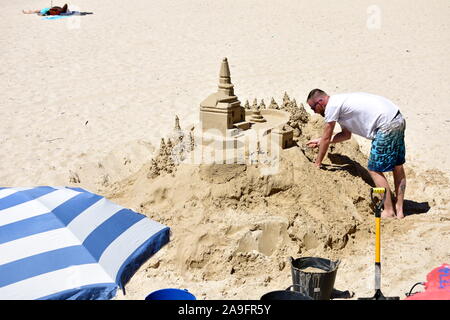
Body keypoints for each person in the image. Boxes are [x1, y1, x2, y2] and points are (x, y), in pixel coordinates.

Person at [306, 89, 407, 219]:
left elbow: (327, 137)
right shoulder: (341, 103)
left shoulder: (331, 107)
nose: (313, 111)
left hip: (385, 126)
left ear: (320, 101)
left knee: (374, 170)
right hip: (398, 118)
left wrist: (317, 163)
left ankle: (388, 211)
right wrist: (320, 141)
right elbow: (346, 135)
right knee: (397, 166)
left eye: (313, 107)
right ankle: (399, 209)